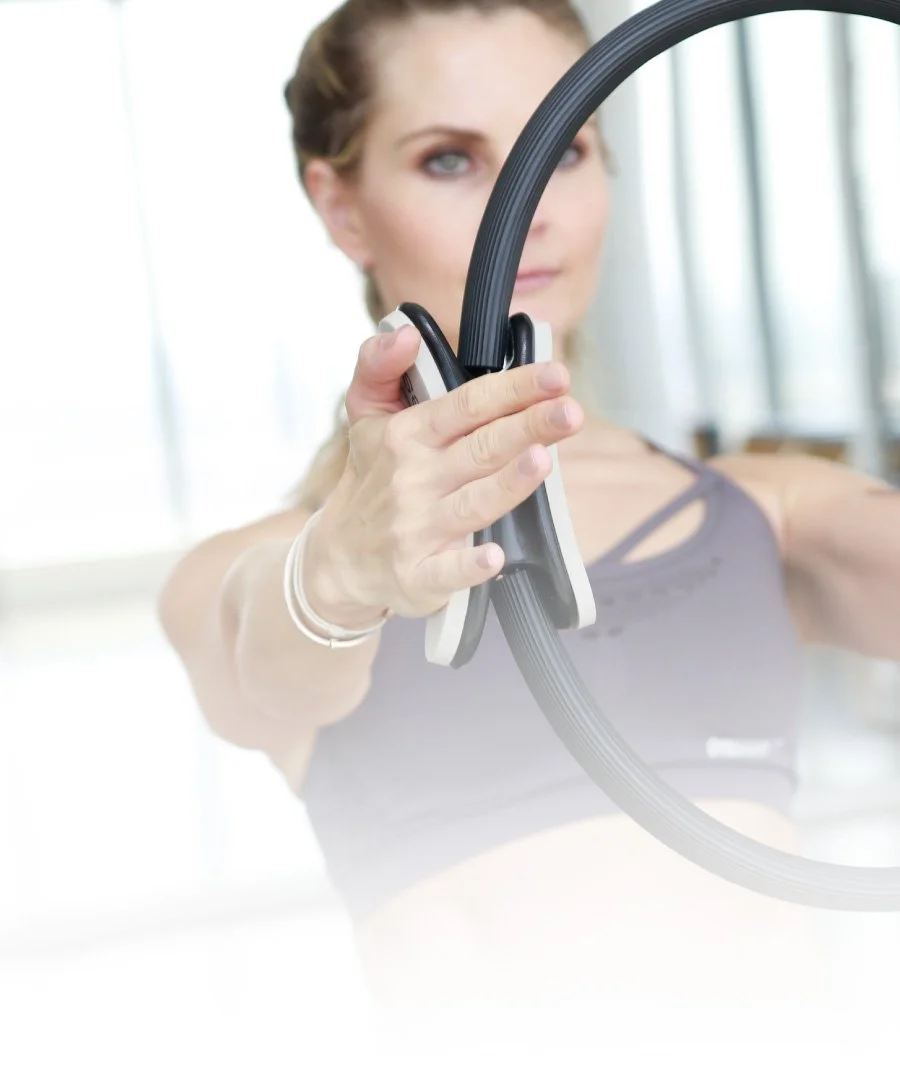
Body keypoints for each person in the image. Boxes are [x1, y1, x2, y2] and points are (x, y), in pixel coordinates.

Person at [159, 0, 900, 1022]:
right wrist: (340, 572)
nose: (531, 205)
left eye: (569, 149)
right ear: (341, 205)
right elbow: (259, 655)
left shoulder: (765, 508)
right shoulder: (262, 568)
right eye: (451, 160)